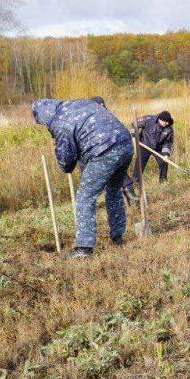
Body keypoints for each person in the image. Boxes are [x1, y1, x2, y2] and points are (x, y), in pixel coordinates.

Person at [32, 98, 134, 259]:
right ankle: (118, 236)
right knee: (114, 191)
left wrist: (65, 163)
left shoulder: (60, 123)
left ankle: (84, 249)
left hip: (104, 151)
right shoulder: (79, 103)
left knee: (85, 197)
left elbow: (66, 161)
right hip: (125, 144)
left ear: (44, 116)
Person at [124, 111, 175, 201]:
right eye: (164, 122)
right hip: (144, 145)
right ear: (159, 119)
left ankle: (163, 181)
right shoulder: (148, 120)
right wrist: (133, 133)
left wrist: (166, 154)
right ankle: (136, 183)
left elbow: (168, 142)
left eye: (167, 122)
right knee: (139, 165)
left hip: (158, 148)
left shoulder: (169, 128)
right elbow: (134, 125)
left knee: (164, 162)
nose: (166, 123)